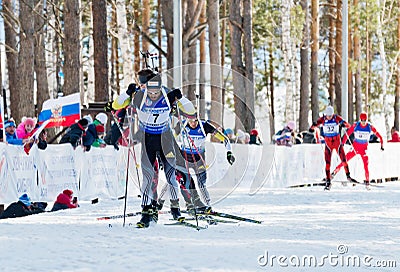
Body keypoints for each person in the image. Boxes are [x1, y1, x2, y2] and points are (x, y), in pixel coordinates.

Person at [113, 69, 185, 228]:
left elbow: (189, 111)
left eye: (143, 83)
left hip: (166, 139)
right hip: (148, 140)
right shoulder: (138, 95)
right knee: (148, 177)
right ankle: (147, 211)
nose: (142, 87)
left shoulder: (165, 92)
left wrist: (181, 98)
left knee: (170, 175)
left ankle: (175, 207)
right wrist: (127, 93)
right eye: (140, 84)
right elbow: (116, 105)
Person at [159, 112, 236, 214]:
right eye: (190, 121)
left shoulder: (205, 126)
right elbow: (169, 139)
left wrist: (229, 152)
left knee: (201, 183)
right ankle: (159, 203)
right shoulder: (181, 125)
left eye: (195, 121)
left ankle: (207, 206)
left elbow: (225, 139)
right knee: (174, 178)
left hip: (198, 157)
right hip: (183, 157)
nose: (193, 123)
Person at [331, 112, 384, 187]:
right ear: (360, 119)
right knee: (345, 160)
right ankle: (334, 173)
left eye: (364, 120)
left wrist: (382, 145)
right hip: (355, 147)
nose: (363, 122)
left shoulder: (369, 127)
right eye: (362, 120)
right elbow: (348, 133)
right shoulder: (356, 125)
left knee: (366, 164)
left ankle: (367, 180)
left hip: (364, 149)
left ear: (366, 120)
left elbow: (379, 136)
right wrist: (342, 143)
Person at [314, 105, 353, 190]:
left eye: (330, 116)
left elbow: (348, 125)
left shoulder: (336, 118)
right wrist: (313, 127)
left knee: (344, 161)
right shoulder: (323, 119)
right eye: (328, 116)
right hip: (328, 144)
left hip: (337, 143)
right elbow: (315, 125)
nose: (329, 117)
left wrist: (343, 124)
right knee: (327, 164)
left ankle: (348, 176)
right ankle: (328, 181)